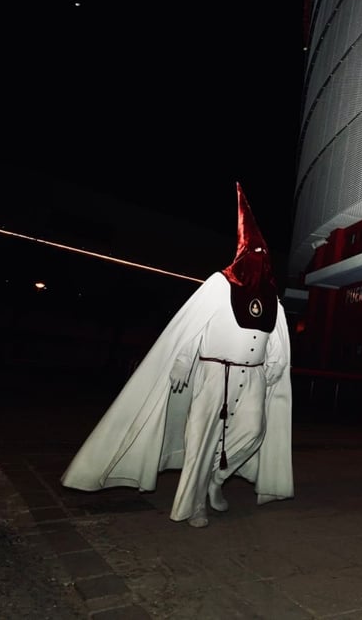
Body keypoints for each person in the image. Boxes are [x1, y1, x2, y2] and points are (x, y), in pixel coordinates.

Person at [61, 183, 293, 527]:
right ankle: (192, 504)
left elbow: (275, 335)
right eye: (254, 250)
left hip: (254, 377)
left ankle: (216, 479)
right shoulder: (220, 283)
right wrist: (184, 360)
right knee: (202, 438)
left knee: (253, 432)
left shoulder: (272, 296)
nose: (259, 257)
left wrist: (276, 362)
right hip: (216, 372)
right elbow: (192, 325)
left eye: (264, 252)